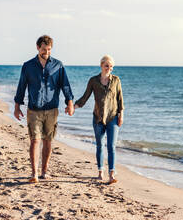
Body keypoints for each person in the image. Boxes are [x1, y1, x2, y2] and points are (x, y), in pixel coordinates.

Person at [13, 35, 74, 183]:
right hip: (34, 109)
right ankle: (34, 173)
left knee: (48, 141)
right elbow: (22, 86)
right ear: (37, 48)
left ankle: (44, 171)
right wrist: (17, 106)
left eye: (49, 50)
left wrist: (70, 102)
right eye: (44, 49)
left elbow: (65, 85)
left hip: (52, 109)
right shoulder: (28, 66)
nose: (46, 52)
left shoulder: (58, 65)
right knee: (35, 140)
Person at [74, 55, 124, 184]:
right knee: (100, 145)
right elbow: (85, 97)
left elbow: (120, 99)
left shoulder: (116, 80)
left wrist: (121, 115)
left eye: (111, 66)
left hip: (113, 117)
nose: (109, 68)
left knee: (111, 146)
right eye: (107, 65)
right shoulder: (93, 81)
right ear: (101, 65)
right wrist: (74, 106)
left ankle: (111, 174)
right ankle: (100, 172)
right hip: (98, 118)